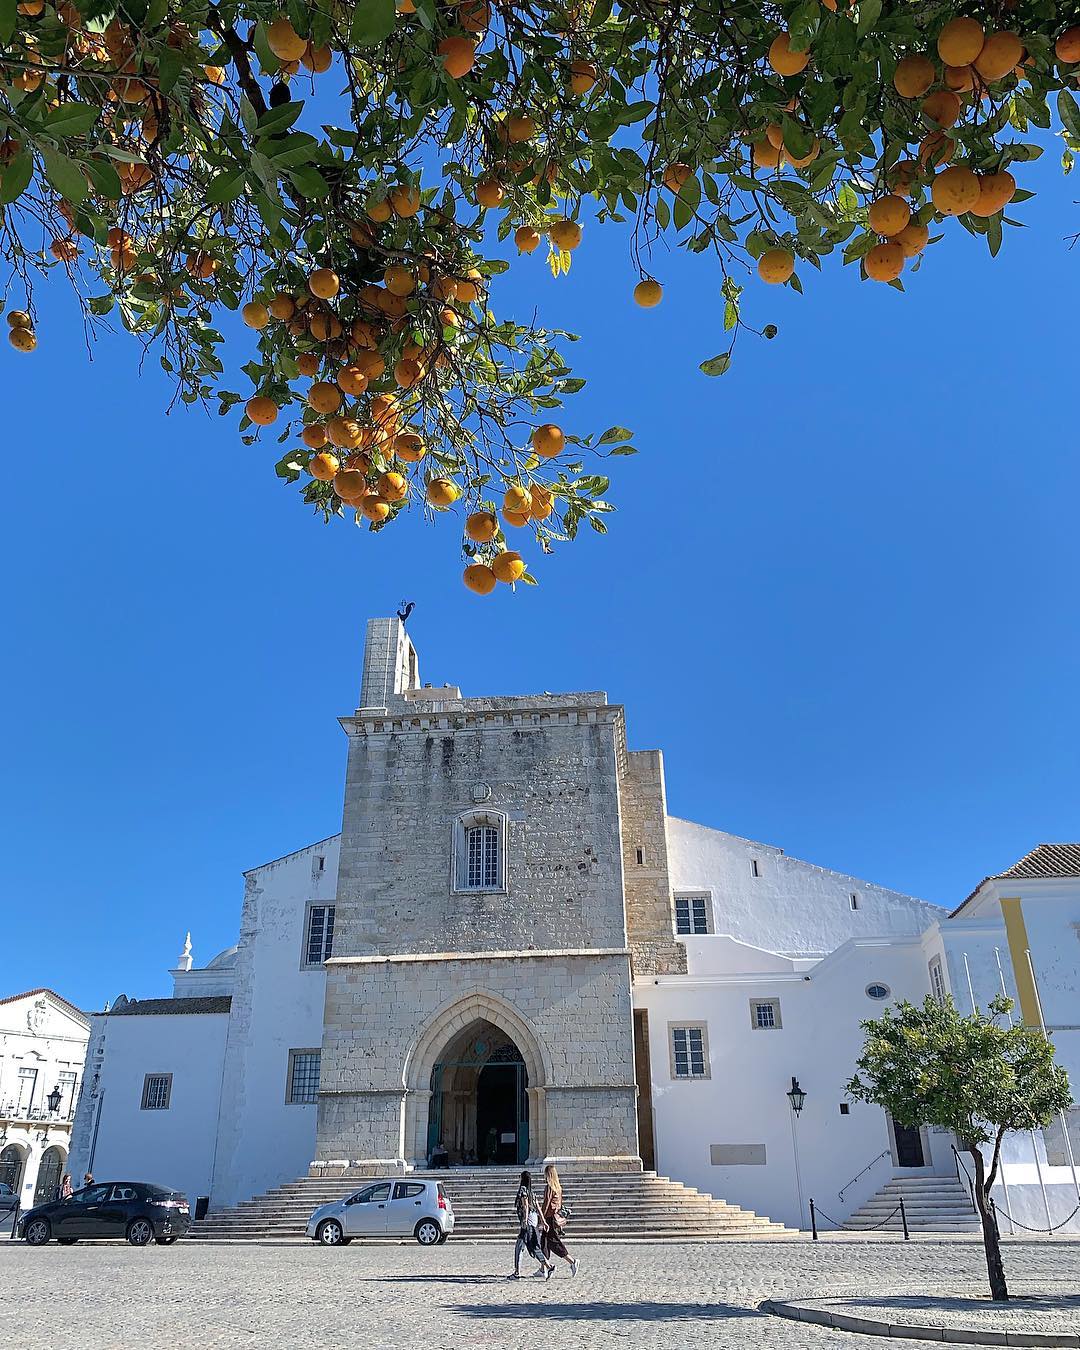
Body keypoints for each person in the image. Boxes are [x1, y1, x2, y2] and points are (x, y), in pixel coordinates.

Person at [511, 1170, 553, 1279]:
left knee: (525, 1246)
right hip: (533, 1220)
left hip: (528, 1221)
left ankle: (518, 1272)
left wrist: (524, 1220)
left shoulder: (523, 1190)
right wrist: (543, 1221)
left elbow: (525, 1206)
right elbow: (538, 1208)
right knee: (530, 1245)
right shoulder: (532, 1192)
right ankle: (547, 1266)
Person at [540, 1163, 578, 1276]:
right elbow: (560, 1204)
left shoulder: (549, 1187)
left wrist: (541, 1217)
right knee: (544, 1243)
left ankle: (572, 1261)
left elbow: (546, 1204)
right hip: (555, 1216)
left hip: (549, 1218)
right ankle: (543, 1268)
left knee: (554, 1243)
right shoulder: (558, 1188)